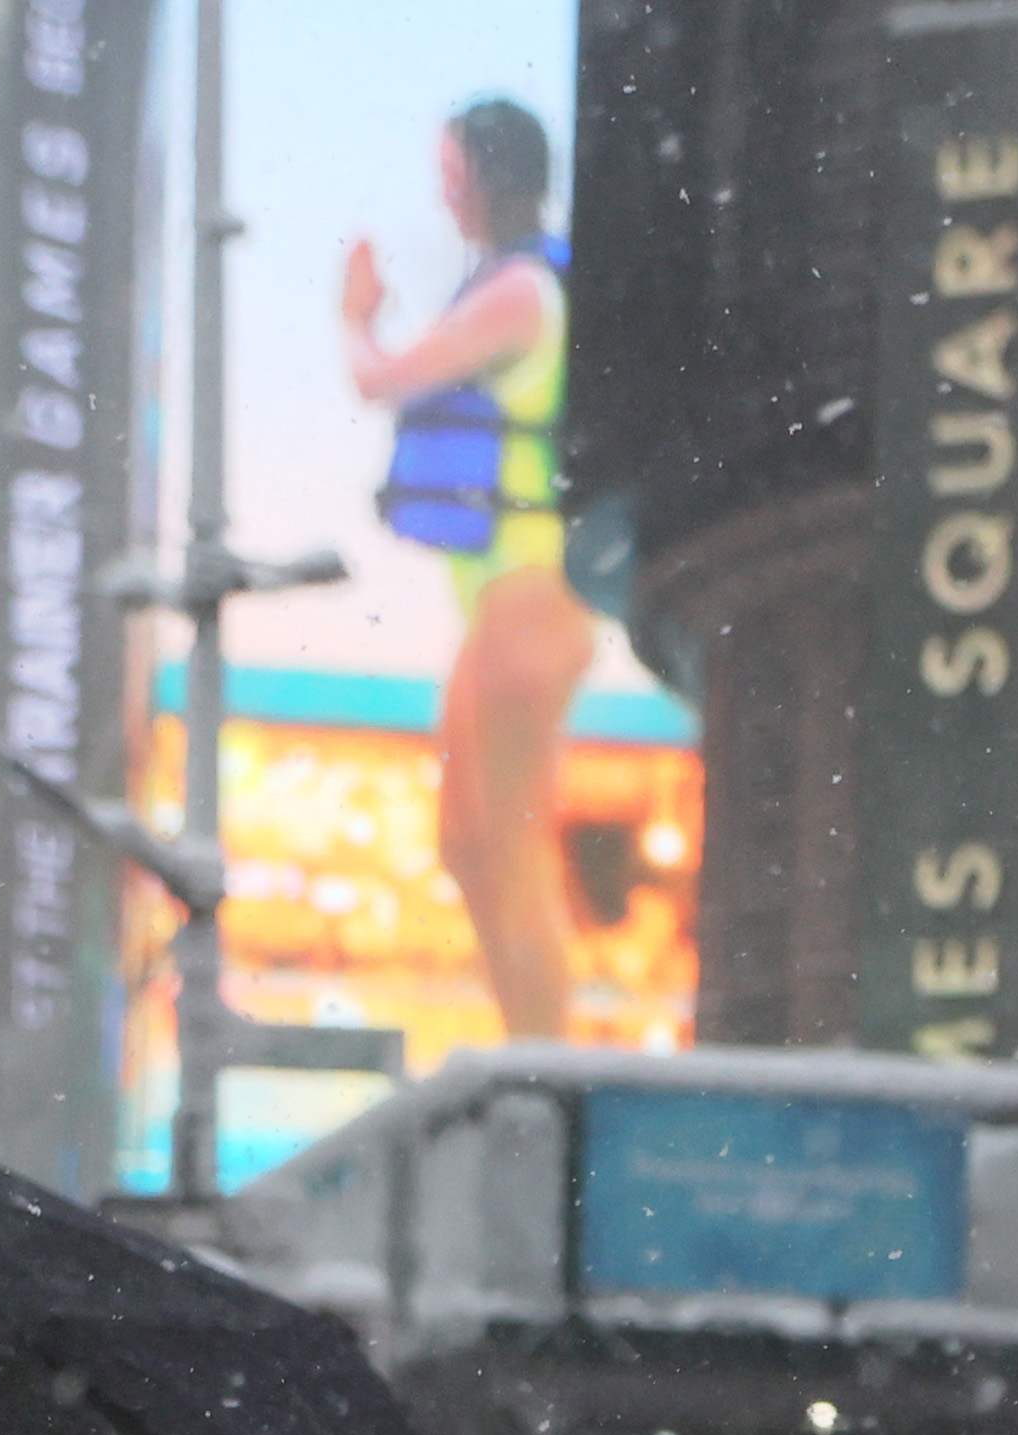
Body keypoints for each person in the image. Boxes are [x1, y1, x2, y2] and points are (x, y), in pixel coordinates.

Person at [338, 99, 594, 1047]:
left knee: (511, 846)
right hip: (499, 604)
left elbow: (381, 378)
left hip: (534, 597)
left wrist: (356, 318)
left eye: (453, 177)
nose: (447, 198)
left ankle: (545, 1061)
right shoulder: (511, 283)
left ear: (488, 178)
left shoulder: (522, 290)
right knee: (468, 841)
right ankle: (528, 1045)